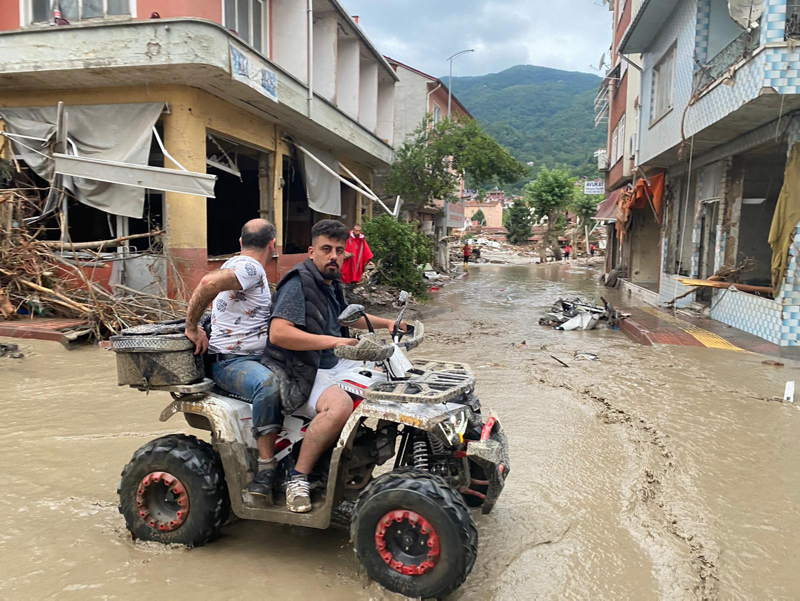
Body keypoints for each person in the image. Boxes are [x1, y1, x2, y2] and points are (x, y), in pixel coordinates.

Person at [262, 219, 405, 513]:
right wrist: (332, 342)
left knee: (392, 383)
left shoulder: (330, 283)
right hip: (304, 369)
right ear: (312, 250)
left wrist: (389, 324)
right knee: (339, 406)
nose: (334, 256)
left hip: (334, 364)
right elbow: (278, 332)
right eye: (327, 249)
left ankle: (357, 461)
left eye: (339, 251)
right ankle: (298, 477)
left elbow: (347, 317)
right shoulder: (297, 282)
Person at [184, 219, 283, 500]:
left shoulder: (239, 265)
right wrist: (192, 327)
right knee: (269, 384)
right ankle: (266, 468)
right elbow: (207, 282)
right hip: (232, 362)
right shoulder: (250, 267)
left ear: (241, 241)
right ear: (273, 245)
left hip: (250, 358)